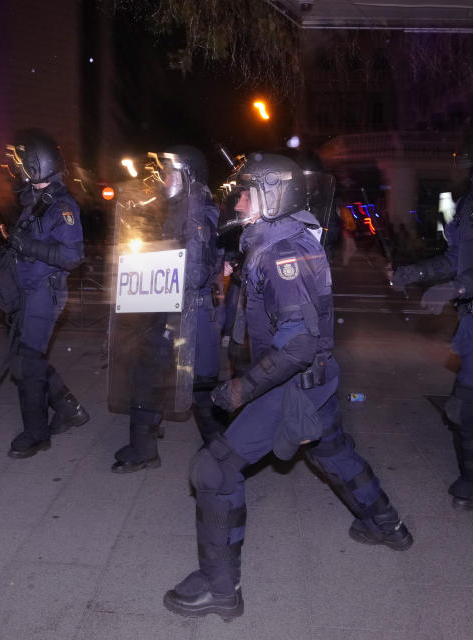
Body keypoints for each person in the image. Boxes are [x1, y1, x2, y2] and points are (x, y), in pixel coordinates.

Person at [163, 153, 413, 620]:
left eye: (245, 192)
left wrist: (241, 390)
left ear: (272, 197)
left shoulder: (282, 254)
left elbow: (297, 345)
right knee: (332, 450)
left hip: (291, 385)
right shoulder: (277, 239)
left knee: (214, 472)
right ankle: (386, 524)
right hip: (313, 381)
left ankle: (221, 590)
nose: (237, 201)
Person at [107, 146, 225, 474]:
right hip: (169, 307)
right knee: (149, 373)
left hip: (190, 312)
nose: (163, 177)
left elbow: (196, 271)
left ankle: (224, 453)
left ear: (188, 176)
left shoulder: (197, 212)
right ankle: (144, 447)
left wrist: (155, 268)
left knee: (199, 389)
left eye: (170, 172)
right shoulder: (177, 207)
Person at [3, 129, 90, 458]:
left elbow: (73, 255)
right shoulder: (34, 200)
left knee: (27, 365)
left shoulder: (63, 206)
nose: (19, 169)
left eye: (23, 164)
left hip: (45, 293)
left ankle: (37, 434)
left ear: (37, 165)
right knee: (26, 360)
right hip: (28, 291)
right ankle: (69, 409)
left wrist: (28, 246)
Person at [390, 167, 473, 510]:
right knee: (463, 409)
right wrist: (414, 273)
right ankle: (469, 480)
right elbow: (457, 257)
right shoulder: (468, 202)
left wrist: (459, 285)